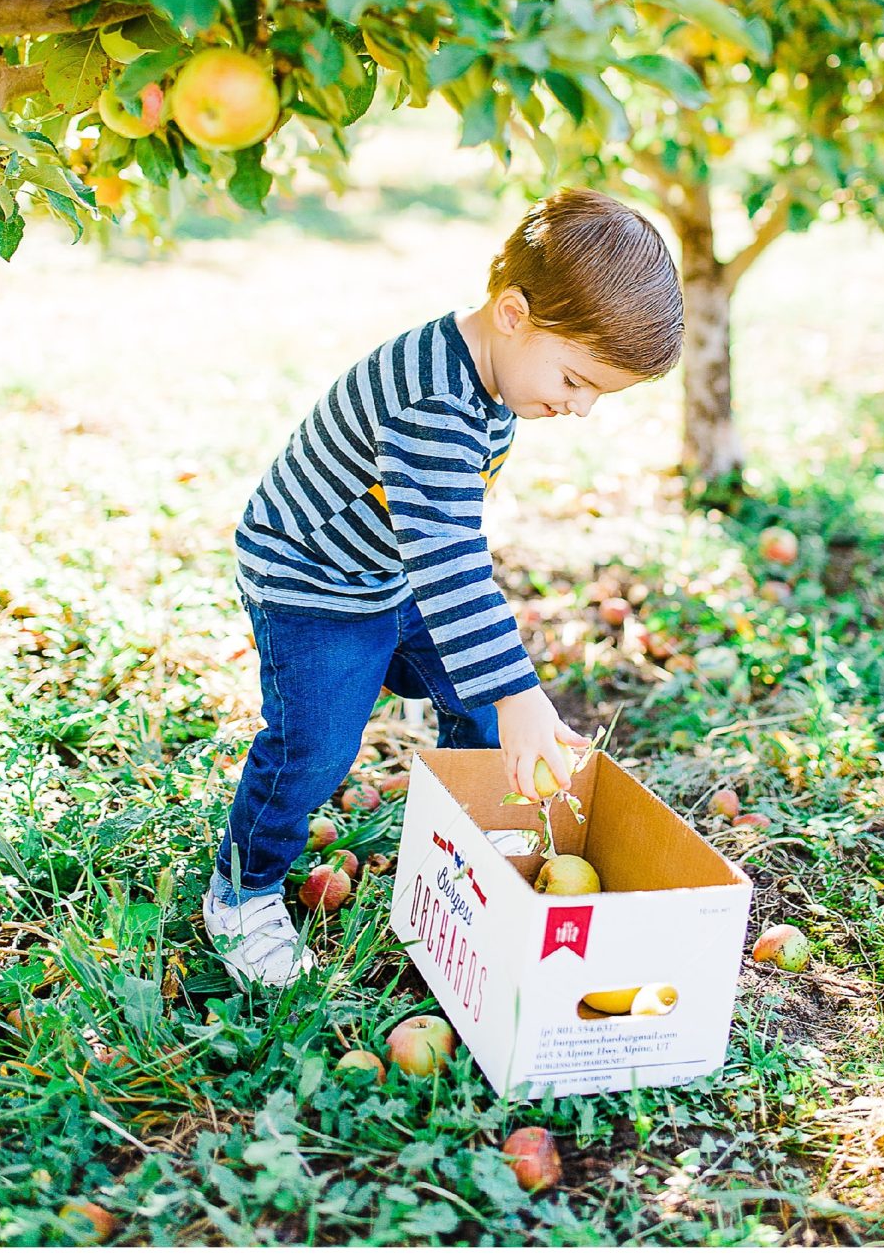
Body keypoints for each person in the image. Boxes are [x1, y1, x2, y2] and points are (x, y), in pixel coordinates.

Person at [203, 187, 684, 986]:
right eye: (577, 378)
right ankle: (243, 889)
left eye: (600, 391)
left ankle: (471, 840)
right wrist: (521, 689)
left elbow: (442, 551)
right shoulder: (434, 399)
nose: (582, 407)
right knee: (315, 744)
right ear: (512, 312)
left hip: (394, 566)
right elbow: (452, 562)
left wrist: (504, 693)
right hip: (313, 577)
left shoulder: (497, 376)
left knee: (486, 703)